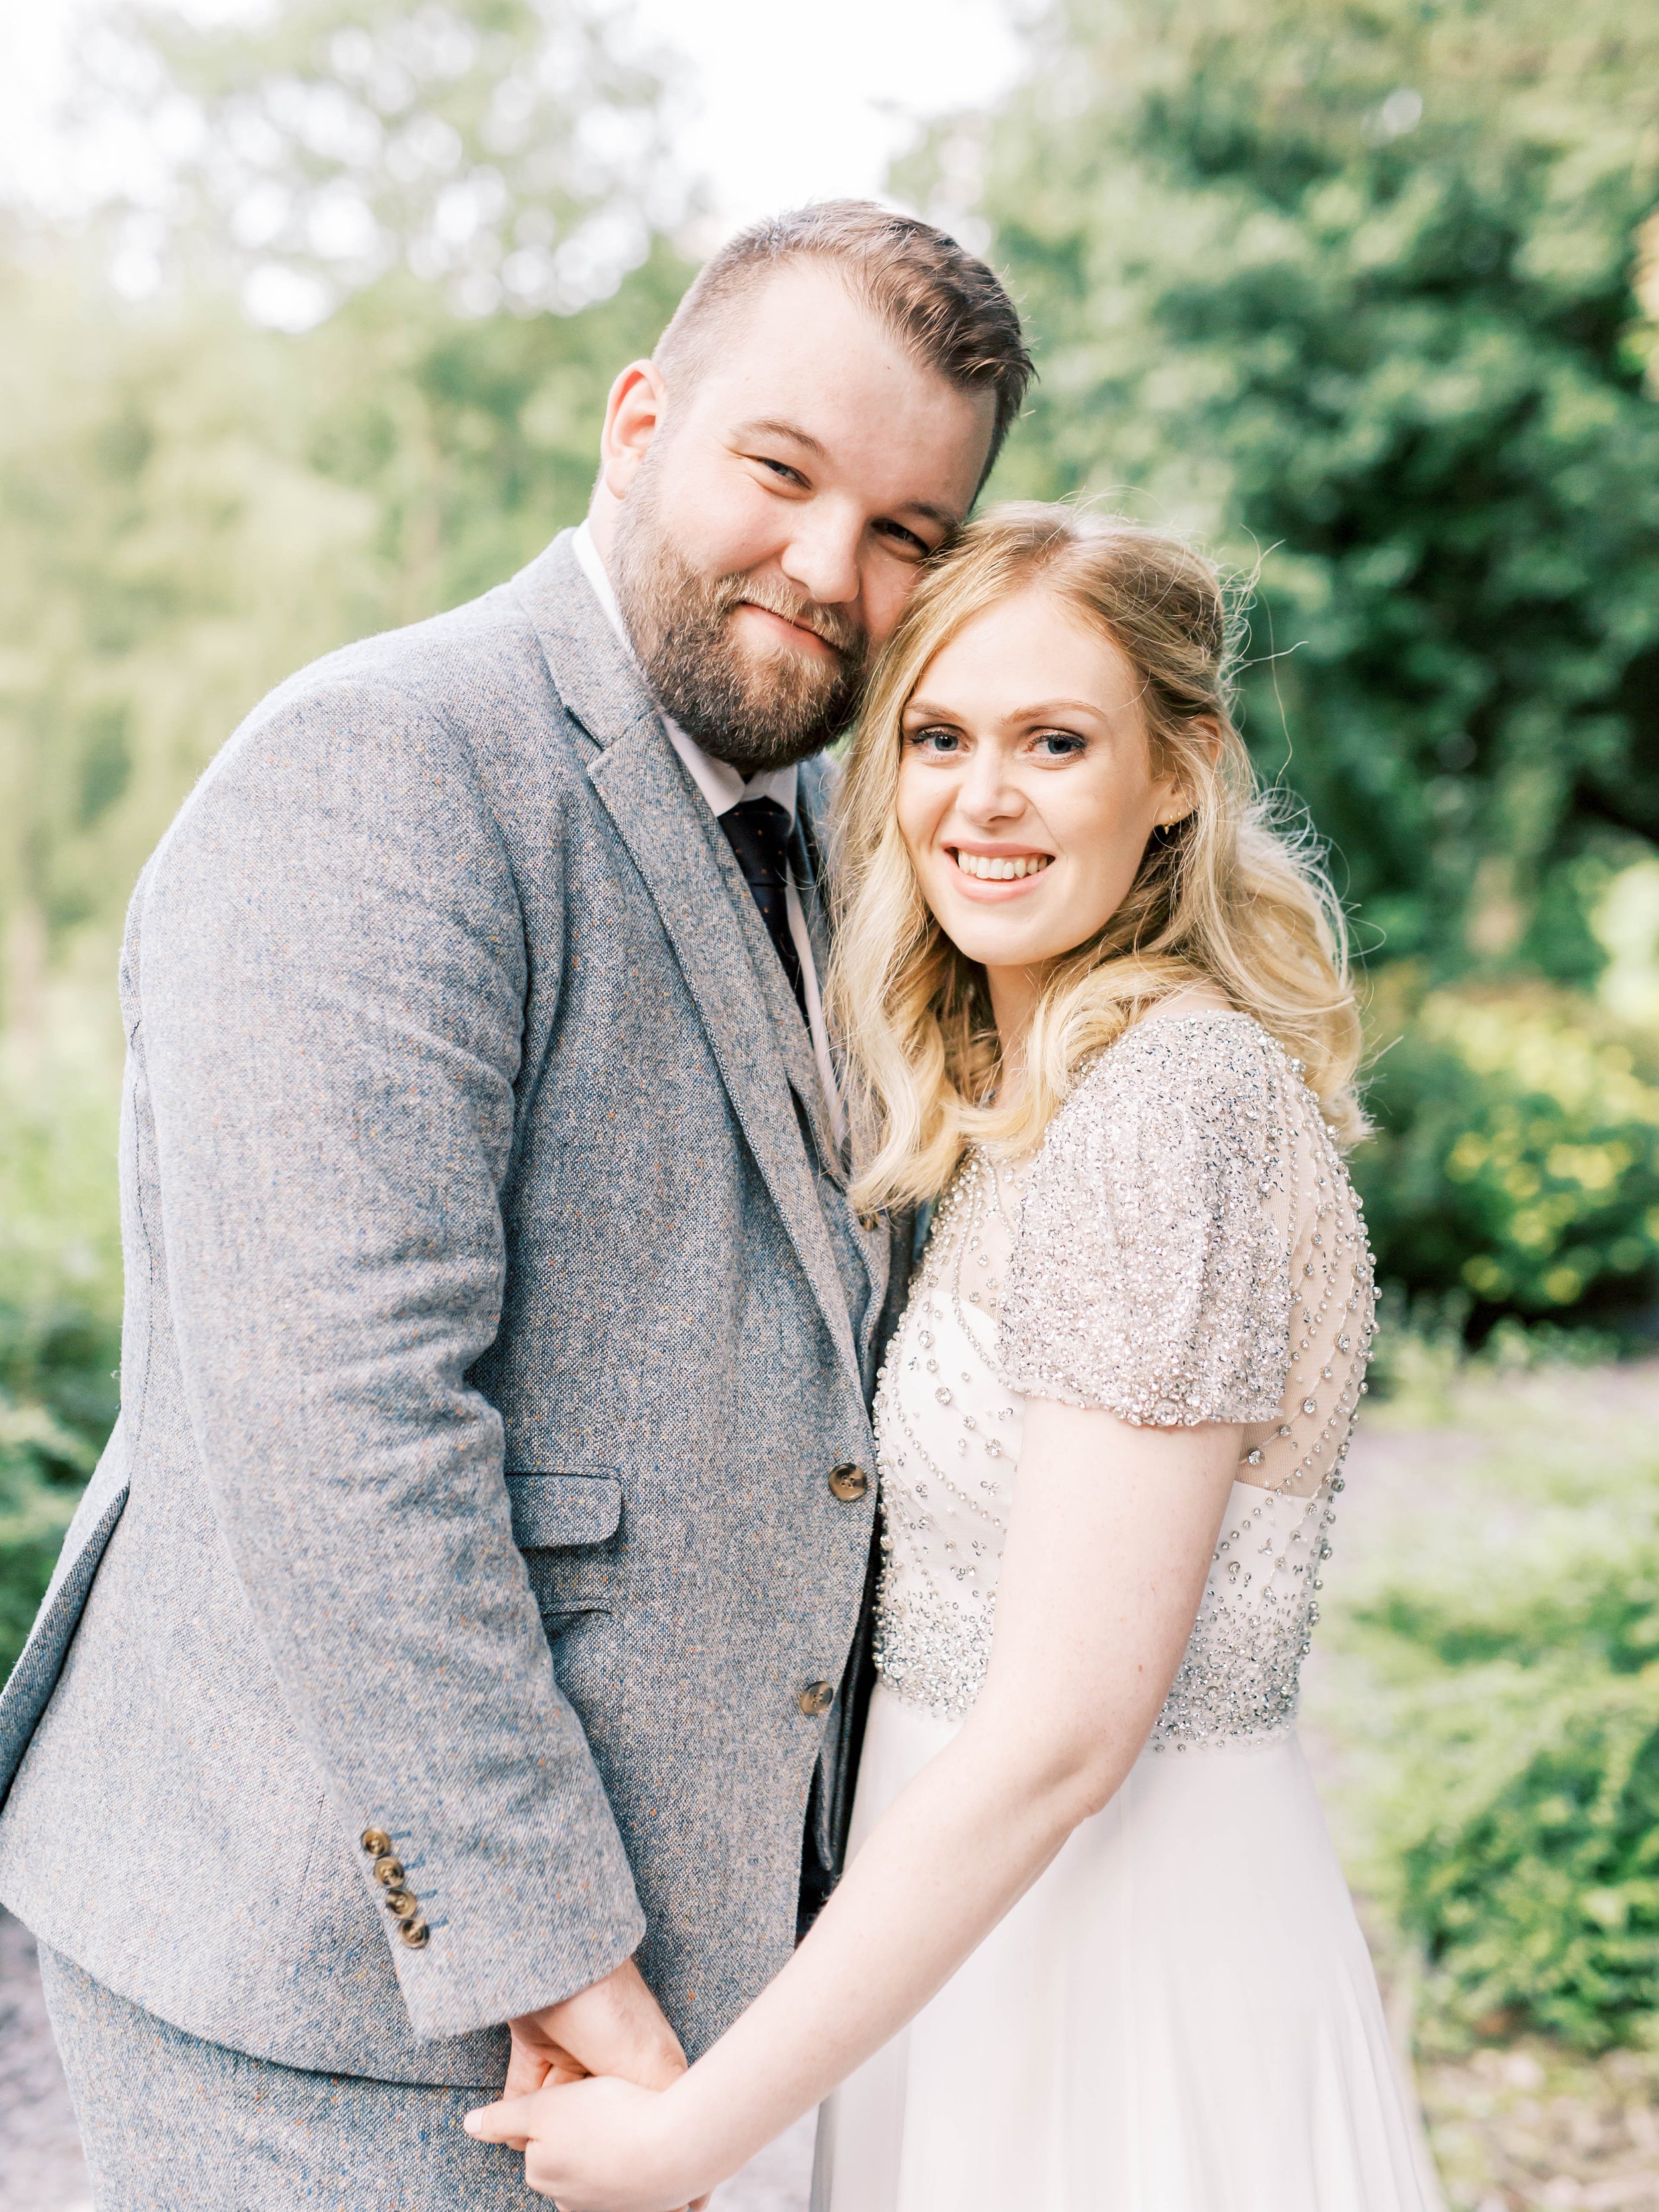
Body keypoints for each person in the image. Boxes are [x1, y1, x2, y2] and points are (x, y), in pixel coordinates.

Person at [0, 204, 1031, 2207]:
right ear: (637, 420)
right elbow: (345, 1428)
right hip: (347, 1995)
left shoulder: (837, 825)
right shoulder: (379, 769)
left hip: (713, 1973)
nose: (833, 569)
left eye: (909, 530)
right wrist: (552, 1946)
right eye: (781, 470)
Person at [464, 504, 1437, 2211]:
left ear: (1177, 772)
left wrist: (686, 2136)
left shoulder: (1172, 1108)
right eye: (936, 736)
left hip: (1120, 1967)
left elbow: (1064, 1725)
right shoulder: (1029, 1095)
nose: (979, 799)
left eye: (1053, 741)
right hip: (971, 1953)